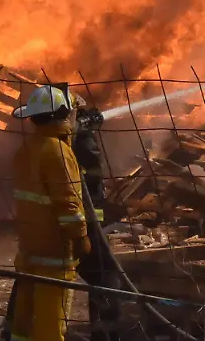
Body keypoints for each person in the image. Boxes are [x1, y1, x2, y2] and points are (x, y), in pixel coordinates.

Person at [9, 84, 90, 341]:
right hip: (56, 254)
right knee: (51, 323)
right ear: (62, 114)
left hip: (30, 250)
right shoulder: (59, 152)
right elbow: (67, 203)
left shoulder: (27, 149)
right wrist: (80, 237)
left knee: (24, 320)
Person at [70, 97, 122, 341]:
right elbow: (92, 175)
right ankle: (106, 335)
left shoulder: (50, 141)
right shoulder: (80, 140)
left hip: (64, 220)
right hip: (84, 219)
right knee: (106, 273)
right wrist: (86, 134)